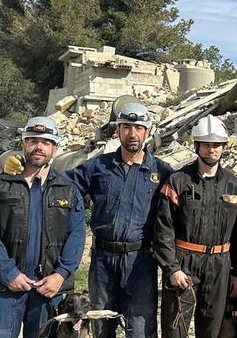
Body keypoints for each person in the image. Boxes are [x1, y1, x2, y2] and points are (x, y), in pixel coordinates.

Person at [65, 102, 174, 338]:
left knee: (141, 329)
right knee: (101, 325)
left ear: (147, 132)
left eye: (138, 128)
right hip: (103, 261)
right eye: (126, 127)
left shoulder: (162, 173)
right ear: (118, 131)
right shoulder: (98, 167)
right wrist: (22, 168)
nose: (132, 134)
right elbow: (62, 185)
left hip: (140, 262)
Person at [0, 117, 85, 338]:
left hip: (48, 288)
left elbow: (77, 235)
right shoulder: (0, 186)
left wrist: (61, 275)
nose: (39, 147)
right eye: (33, 140)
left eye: (46, 142)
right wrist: (8, 273)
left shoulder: (68, 189)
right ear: (24, 144)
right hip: (5, 286)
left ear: (54, 148)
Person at [154, 115, 237, 338]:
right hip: (184, 263)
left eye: (216, 145)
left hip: (219, 266)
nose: (211, 150)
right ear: (197, 145)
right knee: (175, 329)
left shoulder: (233, 186)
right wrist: (172, 268)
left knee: (211, 330)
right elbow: (163, 229)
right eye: (206, 144)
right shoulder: (178, 181)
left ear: (223, 147)